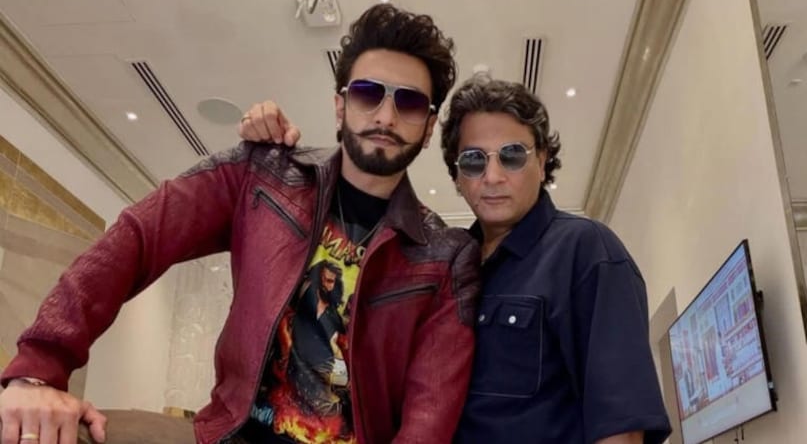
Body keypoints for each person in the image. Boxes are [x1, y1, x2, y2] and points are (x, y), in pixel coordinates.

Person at [0, 4, 480, 444]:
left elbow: (429, 412)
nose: (386, 116)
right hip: (228, 434)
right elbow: (138, 238)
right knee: (31, 434)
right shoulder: (263, 173)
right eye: (368, 93)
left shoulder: (444, 254)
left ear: (429, 126)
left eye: (409, 103)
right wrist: (40, 368)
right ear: (340, 105)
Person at [239, 73, 672, 443]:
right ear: (457, 177)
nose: (493, 176)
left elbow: (621, 425)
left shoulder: (585, 251)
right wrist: (277, 152)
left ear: (542, 160)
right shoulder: (441, 265)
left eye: (512, 156)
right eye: (473, 161)